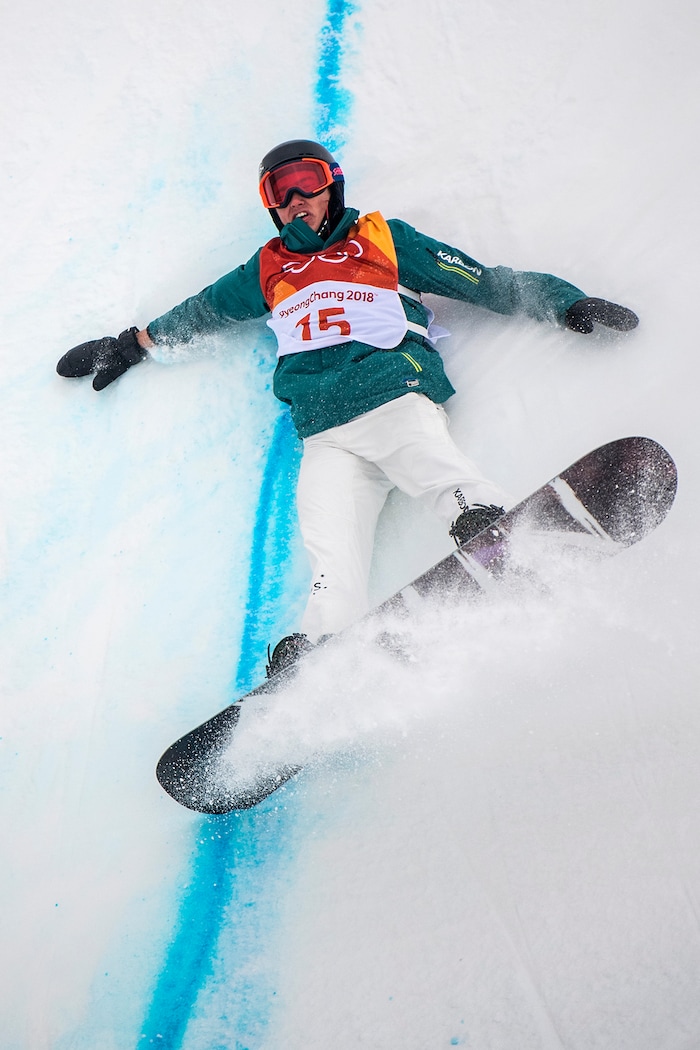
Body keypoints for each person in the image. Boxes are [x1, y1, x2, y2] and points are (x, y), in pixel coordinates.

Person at [57, 139, 639, 676]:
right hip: (324, 431)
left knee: (431, 463)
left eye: (303, 181)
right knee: (330, 545)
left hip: (391, 393)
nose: (292, 201)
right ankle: (323, 650)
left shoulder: (382, 239)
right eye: (276, 192)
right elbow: (202, 311)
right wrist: (130, 344)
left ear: (331, 184)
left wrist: (567, 303)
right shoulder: (265, 269)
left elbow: (485, 282)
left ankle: (484, 519)